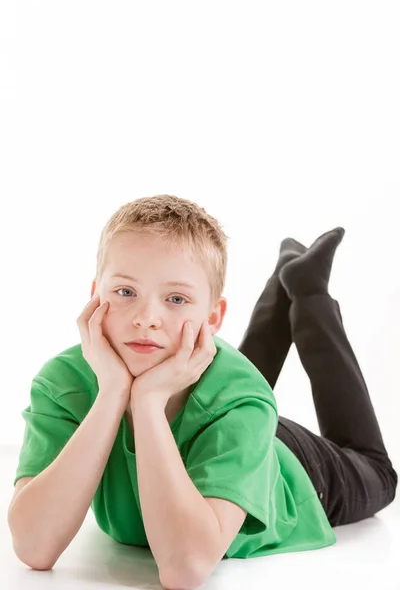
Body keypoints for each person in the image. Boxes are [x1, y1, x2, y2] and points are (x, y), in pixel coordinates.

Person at [8, 195, 397, 589]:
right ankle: (284, 278)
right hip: (216, 417)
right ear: (96, 293)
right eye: (126, 292)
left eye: (176, 299)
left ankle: (308, 290)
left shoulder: (242, 400)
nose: (146, 319)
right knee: (218, 386)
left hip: (289, 466)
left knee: (378, 472)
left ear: (213, 318)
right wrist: (112, 393)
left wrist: (147, 402)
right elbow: (34, 548)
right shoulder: (63, 383)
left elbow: (184, 569)